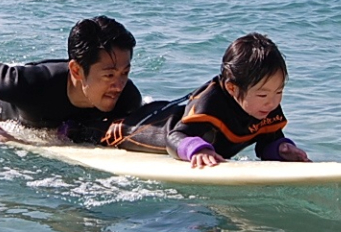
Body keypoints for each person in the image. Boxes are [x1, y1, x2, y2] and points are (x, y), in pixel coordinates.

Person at [89, 32, 310, 168]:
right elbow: (175, 138)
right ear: (232, 88)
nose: (271, 102)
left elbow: (267, 141)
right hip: (145, 129)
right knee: (100, 131)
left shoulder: (265, 103)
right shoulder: (210, 103)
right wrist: (198, 150)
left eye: (279, 92)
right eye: (263, 95)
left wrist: (281, 149)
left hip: (173, 119)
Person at [0, 16, 142, 142]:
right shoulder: (32, 84)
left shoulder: (128, 98)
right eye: (109, 75)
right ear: (76, 70)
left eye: (124, 73)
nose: (119, 85)